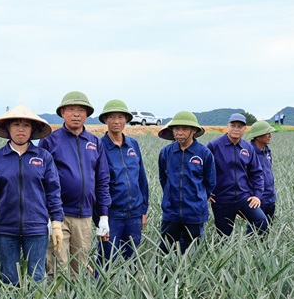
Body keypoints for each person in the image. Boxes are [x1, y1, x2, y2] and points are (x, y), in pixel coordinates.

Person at [0, 104, 64, 285]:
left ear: (32, 130)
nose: (21, 129)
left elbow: (53, 192)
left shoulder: (44, 157)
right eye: (16, 124)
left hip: (36, 227)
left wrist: (57, 223)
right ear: (7, 128)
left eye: (26, 125)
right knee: (9, 278)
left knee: (37, 277)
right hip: (5, 229)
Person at [38, 91, 110, 278]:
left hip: (84, 216)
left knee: (80, 267)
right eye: (71, 109)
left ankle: (78, 298)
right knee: (58, 268)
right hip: (57, 215)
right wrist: (45, 214)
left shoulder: (94, 143)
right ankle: (57, 297)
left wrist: (103, 216)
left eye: (81, 110)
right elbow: (39, 180)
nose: (76, 114)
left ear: (87, 114)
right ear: (62, 112)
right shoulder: (49, 141)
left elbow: (102, 181)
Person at [97, 100, 148, 267]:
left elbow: (141, 179)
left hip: (134, 213)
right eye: (112, 117)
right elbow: (97, 183)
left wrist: (143, 210)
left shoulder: (133, 144)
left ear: (126, 119)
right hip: (112, 214)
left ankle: (131, 284)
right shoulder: (100, 146)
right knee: (106, 258)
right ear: (105, 119)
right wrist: (101, 216)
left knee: (132, 259)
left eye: (120, 117)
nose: (116, 121)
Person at [157, 111, 215, 254]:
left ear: (194, 130)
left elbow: (210, 182)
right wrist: (170, 196)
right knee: (166, 252)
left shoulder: (204, 153)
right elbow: (163, 178)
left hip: (195, 212)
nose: (179, 132)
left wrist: (198, 197)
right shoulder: (166, 152)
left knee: (193, 252)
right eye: (176, 129)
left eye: (184, 129)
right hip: (171, 211)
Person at [206, 113, 268, 238]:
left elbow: (257, 172)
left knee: (261, 221)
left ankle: (248, 245)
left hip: (244, 198)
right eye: (233, 125)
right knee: (223, 235)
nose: (236, 129)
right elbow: (202, 170)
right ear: (227, 126)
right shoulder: (214, 146)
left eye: (240, 126)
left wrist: (257, 195)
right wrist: (206, 192)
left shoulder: (247, 148)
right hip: (222, 199)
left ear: (244, 129)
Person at [246, 120, 277, 223]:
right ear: (258, 136)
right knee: (255, 228)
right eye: (267, 133)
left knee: (268, 227)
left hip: (270, 198)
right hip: (257, 199)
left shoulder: (267, 151)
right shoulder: (248, 153)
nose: (270, 136)